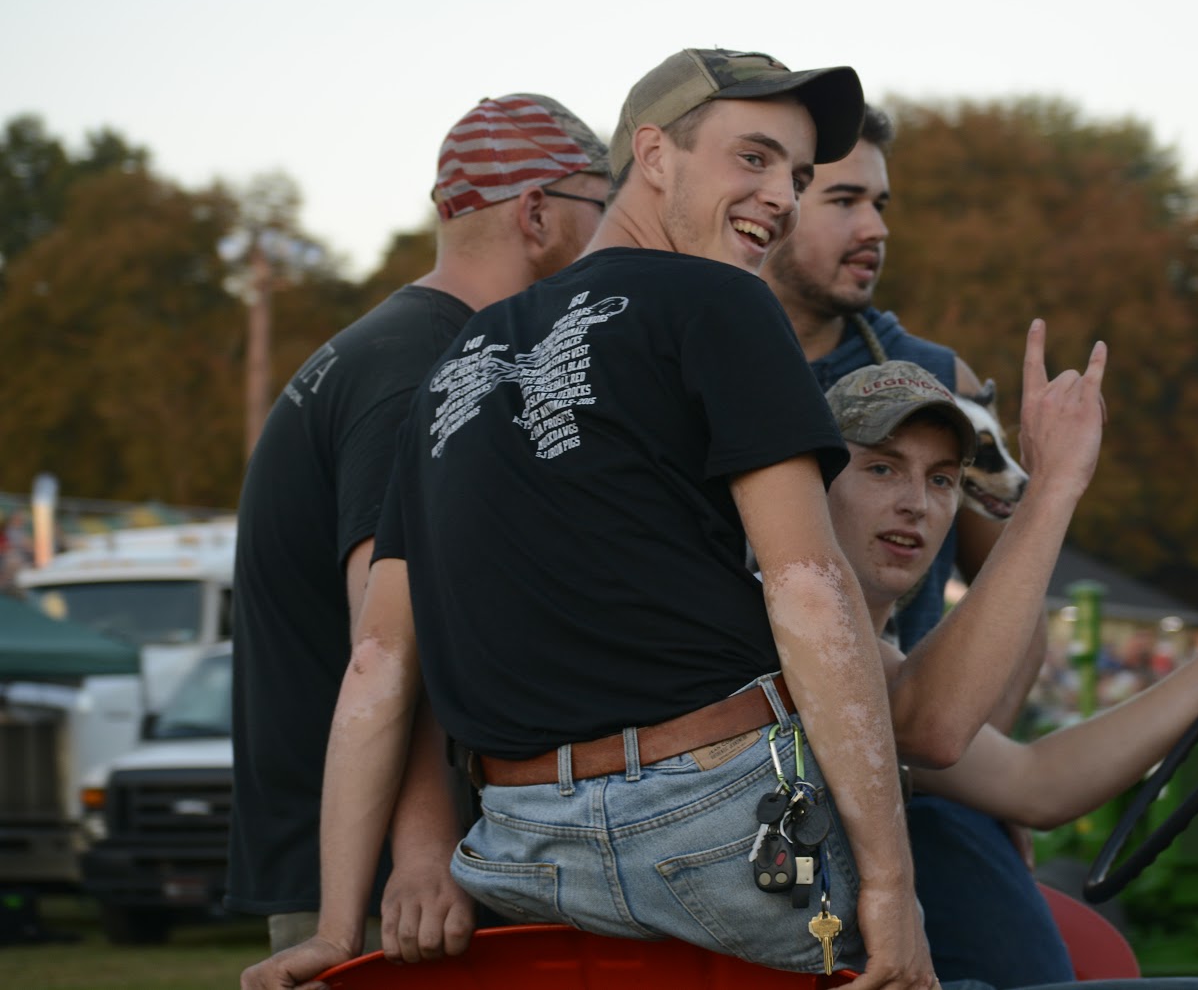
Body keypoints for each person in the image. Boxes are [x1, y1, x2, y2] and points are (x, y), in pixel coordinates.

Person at [242, 49, 936, 990]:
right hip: (725, 826)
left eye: (801, 177)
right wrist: (892, 886)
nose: (781, 196)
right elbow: (809, 587)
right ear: (653, 153)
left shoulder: (462, 357)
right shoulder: (724, 301)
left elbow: (378, 661)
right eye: (755, 158)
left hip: (524, 850)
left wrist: (335, 926)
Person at [227, 94, 611, 957]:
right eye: (604, 206)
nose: (615, 235)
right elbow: (387, 641)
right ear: (539, 212)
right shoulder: (429, 368)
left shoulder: (385, 345)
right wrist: (424, 848)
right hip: (383, 891)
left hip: (366, 867)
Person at [819, 355, 1198, 990]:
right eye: (882, 468)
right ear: (813, 481)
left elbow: (1037, 784)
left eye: (942, 480)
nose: (915, 503)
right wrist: (1053, 488)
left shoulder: (874, 656)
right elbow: (935, 730)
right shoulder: (793, 636)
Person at [761, 104, 1066, 987]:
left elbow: (1017, 596)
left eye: (882, 203)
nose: (877, 229)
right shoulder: (702, 356)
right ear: (778, 201)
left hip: (913, 769)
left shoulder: (947, 381)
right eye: (848, 201)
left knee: (1027, 970)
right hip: (745, 781)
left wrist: (962, 760)